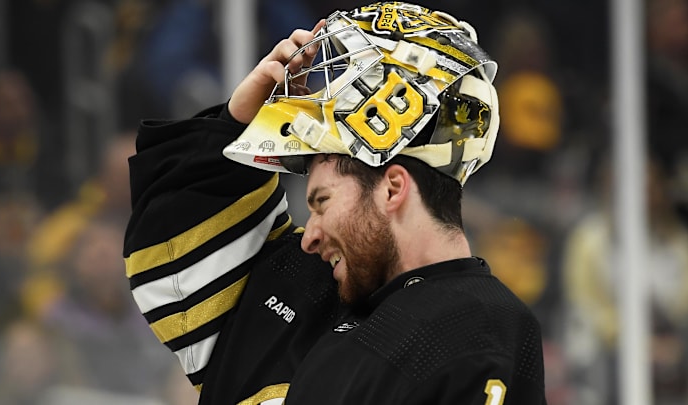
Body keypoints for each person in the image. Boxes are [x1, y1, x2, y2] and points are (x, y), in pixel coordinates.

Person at [123, 2, 547, 404]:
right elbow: (170, 260)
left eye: (321, 202)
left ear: (392, 189)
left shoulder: (476, 323)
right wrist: (231, 124)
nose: (310, 235)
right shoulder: (307, 288)